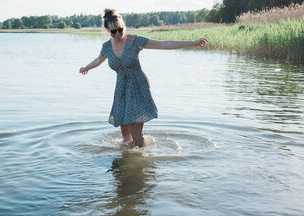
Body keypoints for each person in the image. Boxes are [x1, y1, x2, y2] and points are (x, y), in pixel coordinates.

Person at [79, 8, 208, 147]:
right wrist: (86, 67)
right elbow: (98, 60)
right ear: (108, 31)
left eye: (120, 29)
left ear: (124, 26)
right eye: (113, 31)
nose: (118, 34)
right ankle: (127, 161)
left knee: (136, 135)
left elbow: (164, 44)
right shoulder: (106, 47)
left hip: (138, 87)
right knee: (125, 136)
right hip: (121, 90)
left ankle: (141, 161)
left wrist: (193, 42)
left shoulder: (135, 41)